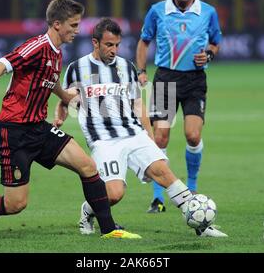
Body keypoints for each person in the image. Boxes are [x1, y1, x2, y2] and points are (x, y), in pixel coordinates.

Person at [0, 0, 140, 239]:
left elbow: (49, 80)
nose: (77, 30)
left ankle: (110, 230)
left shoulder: (56, 53)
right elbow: (2, 64)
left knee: (87, 166)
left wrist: (65, 97)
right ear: (57, 24)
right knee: (16, 204)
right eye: (73, 25)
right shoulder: (37, 46)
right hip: (14, 131)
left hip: (38, 128)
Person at [54, 18, 226, 237]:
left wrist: (150, 136)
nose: (114, 50)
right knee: (114, 194)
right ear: (95, 43)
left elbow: (137, 104)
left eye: (117, 45)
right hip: (103, 140)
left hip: (134, 133)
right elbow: (65, 100)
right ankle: (88, 210)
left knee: (163, 172)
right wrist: (59, 118)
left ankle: (201, 225)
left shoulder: (126, 67)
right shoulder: (77, 68)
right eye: (109, 45)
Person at [136, 0, 222, 218]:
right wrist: (141, 70)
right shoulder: (157, 11)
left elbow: (216, 42)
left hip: (195, 81)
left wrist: (208, 54)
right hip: (166, 79)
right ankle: (158, 198)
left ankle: (192, 190)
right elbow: (144, 41)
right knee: (160, 139)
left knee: (193, 136)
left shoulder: (207, 12)